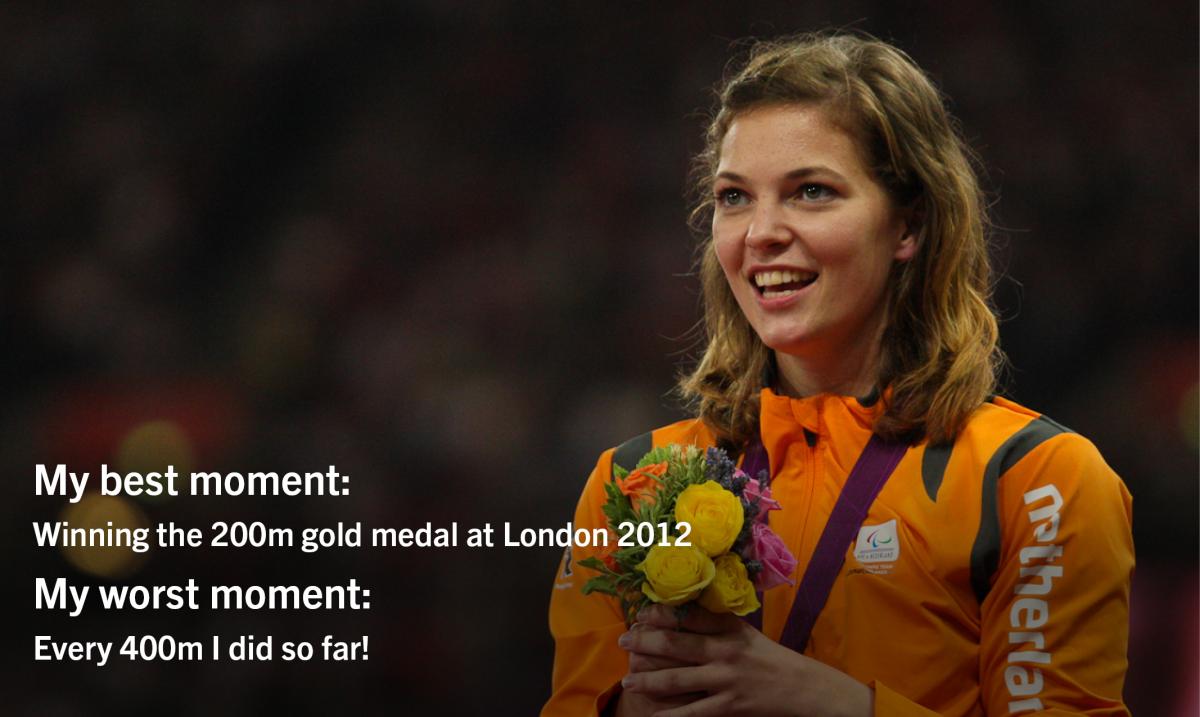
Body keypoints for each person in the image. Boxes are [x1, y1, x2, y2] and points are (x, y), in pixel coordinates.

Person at [543, 32, 1133, 717]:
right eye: (734, 197)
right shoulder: (633, 480)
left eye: (811, 191)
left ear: (908, 224)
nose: (760, 231)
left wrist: (836, 705)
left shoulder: (1037, 482)